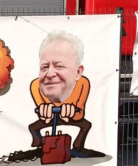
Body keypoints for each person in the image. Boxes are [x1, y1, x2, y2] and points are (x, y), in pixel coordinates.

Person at [26, 30, 103, 159]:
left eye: (59, 66)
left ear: (78, 72)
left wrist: (71, 110)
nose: (50, 74)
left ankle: (78, 146)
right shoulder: (36, 86)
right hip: (52, 118)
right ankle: (39, 146)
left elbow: (79, 114)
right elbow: (43, 115)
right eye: (44, 67)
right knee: (33, 127)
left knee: (85, 125)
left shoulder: (83, 84)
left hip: (71, 116)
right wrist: (45, 110)